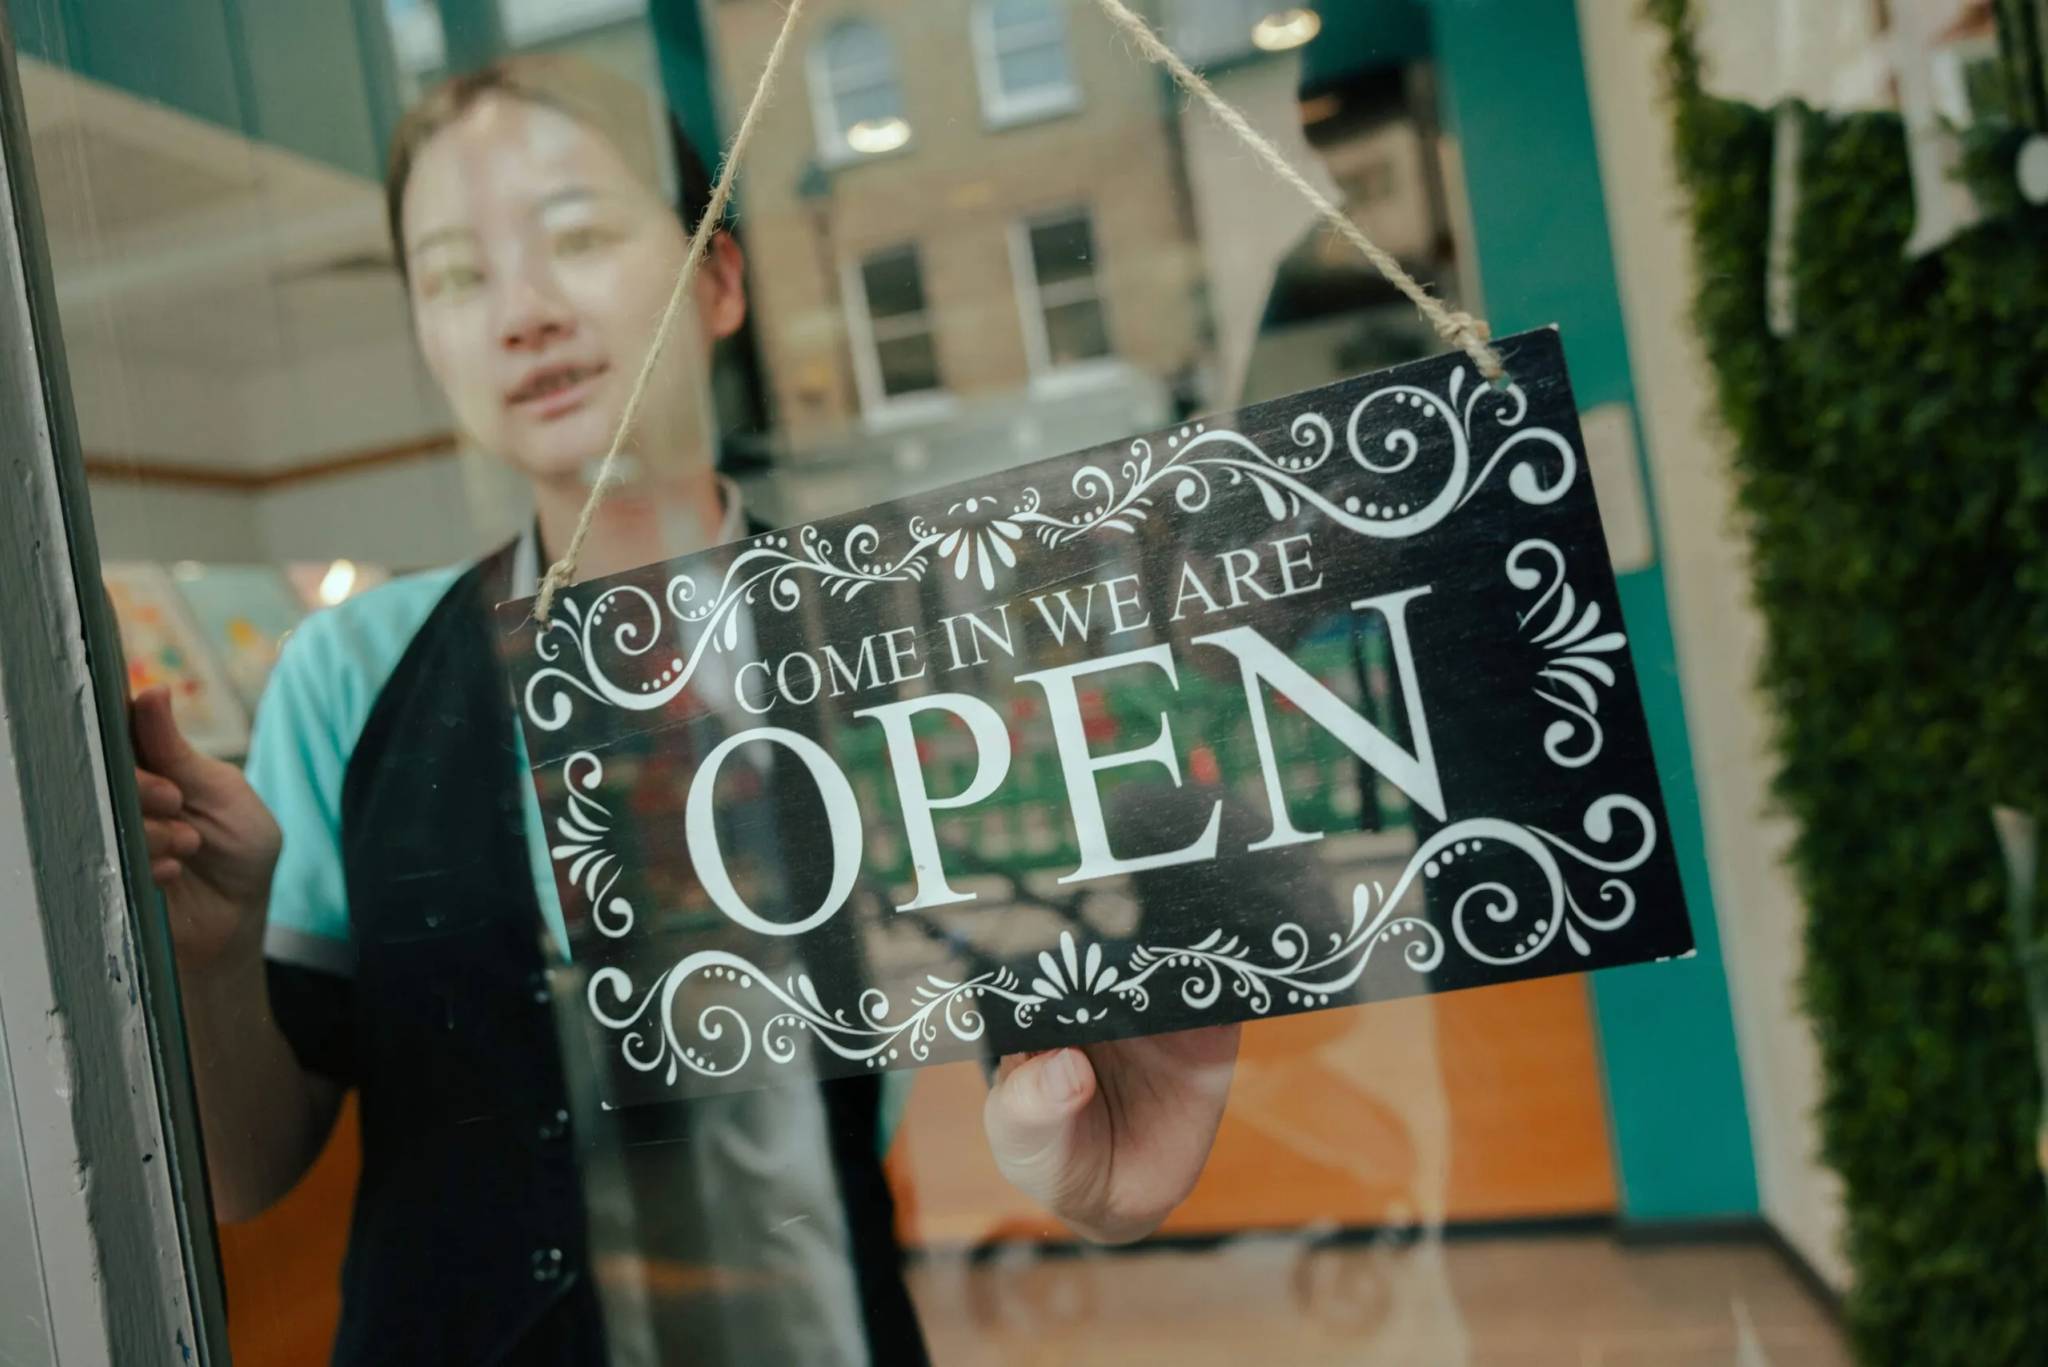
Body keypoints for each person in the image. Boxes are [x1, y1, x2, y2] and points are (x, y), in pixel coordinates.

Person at [129, 54, 1237, 1367]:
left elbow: (1055, 1053)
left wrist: (1095, 1143)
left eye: (578, 236)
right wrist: (210, 959)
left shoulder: (906, 657)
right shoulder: (348, 674)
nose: (522, 311)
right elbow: (250, 1174)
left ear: (719, 277)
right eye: (457, 276)